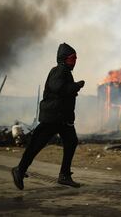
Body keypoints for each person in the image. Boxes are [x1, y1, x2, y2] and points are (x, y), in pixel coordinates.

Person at [12, 43, 85, 189]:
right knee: (36, 144)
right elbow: (59, 88)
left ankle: (64, 175)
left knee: (71, 142)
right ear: (64, 59)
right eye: (72, 58)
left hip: (63, 118)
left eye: (76, 58)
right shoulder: (59, 71)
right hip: (52, 117)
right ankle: (19, 170)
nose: (75, 61)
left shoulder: (65, 71)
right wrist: (76, 86)